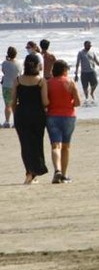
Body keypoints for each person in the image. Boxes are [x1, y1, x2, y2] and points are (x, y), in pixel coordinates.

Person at [12, 53, 48, 184]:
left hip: (21, 114)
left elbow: (13, 101)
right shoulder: (41, 81)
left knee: (25, 144)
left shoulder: (17, 80)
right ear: (38, 65)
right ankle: (34, 172)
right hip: (37, 115)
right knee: (37, 144)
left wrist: (16, 114)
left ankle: (29, 173)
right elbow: (45, 102)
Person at [46, 59, 81, 184]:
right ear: (64, 70)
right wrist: (69, 103)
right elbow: (78, 102)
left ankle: (57, 171)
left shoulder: (48, 83)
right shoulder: (70, 82)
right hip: (68, 116)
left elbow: (45, 102)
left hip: (52, 116)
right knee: (66, 146)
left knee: (55, 145)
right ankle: (64, 175)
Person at [74, 40, 99, 106]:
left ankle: (92, 93)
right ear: (85, 45)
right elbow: (77, 63)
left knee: (95, 83)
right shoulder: (80, 53)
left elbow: (96, 61)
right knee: (85, 86)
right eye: (88, 45)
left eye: (90, 45)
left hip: (92, 71)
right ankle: (86, 98)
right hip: (84, 72)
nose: (89, 46)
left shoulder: (92, 52)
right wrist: (76, 74)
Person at [2, 46, 18, 128]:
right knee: (15, 104)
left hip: (6, 85)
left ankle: (7, 121)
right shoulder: (19, 63)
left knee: (7, 105)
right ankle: (15, 122)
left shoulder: (5, 63)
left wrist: (7, 60)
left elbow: (4, 71)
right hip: (16, 85)